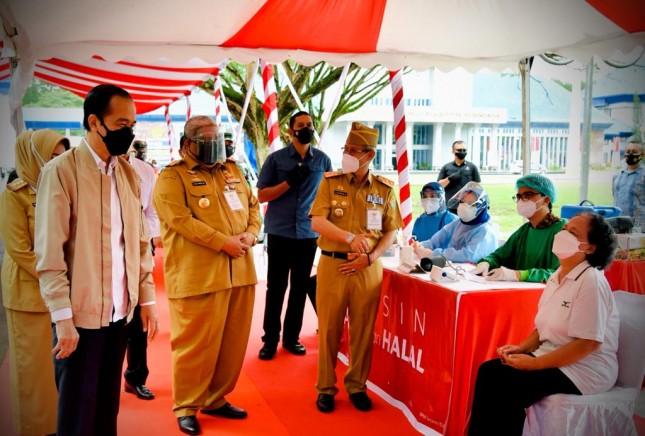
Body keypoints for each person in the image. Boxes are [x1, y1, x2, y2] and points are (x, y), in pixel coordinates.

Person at [34, 84, 159, 436]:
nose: (129, 133)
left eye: (133, 124)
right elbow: (49, 254)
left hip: (121, 314)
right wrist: (63, 318)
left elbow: (138, 242)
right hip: (80, 320)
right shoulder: (61, 171)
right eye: (121, 124)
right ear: (94, 122)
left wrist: (146, 298)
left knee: (107, 410)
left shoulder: (128, 172)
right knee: (77, 418)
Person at [153, 115, 261, 435]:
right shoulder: (172, 178)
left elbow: (253, 207)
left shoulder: (233, 170)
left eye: (218, 139)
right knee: (194, 346)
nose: (215, 146)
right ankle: (186, 404)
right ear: (188, 144)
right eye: (207, 141)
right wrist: (223, 243)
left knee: (232, 343)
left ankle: (215, 398)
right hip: (198, 276)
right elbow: (181, 220)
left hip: (240, 271)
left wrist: (251, 235)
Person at [468, 212, 619, 436]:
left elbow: (588, 344)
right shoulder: (557, 275)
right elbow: (543, 329)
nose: (563, 234)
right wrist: (521, 348)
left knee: (507, 385)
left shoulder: (591, 280)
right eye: (565, 229)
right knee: (489, 371)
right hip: (554, 357)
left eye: (573, 233)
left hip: (585, 369)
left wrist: (534, 365)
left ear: (590, 248)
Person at [310, 122, 402, 413]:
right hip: (333, 264)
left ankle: (357, 386)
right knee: (329, 329)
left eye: (354, 150)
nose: (347, 155)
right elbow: (317, 221)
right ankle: (325, 387)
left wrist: (372, 257)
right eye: (346, 149)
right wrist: (350, 238)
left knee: (362, 330)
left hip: (367, 268)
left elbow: (391, 231)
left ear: (369, 154)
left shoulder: (384, 188)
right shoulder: (330, 182)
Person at [0, 129, 69, 436]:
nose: (58, 164)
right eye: (51, 158)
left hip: (59, 293)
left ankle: (54, 425)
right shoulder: (14, 195)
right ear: (34, 157)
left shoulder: (59, 189)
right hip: (29, 293)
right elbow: (20, 249)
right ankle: (33, 428)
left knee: (55, 369)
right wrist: (58, 276)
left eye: (62, 157)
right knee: (31, 371)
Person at [256, 110, 332, 360]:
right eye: (301, 125)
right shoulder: (276, 160)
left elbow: (329, 195)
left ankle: (291, 338)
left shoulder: (322, 160)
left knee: (299, 288)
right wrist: (288, 183)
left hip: (308, 234)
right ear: (291, 131)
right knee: (276, 288)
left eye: (310, 124)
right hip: (279, 232)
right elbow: (262, 195)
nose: (307, 128)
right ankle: (269, 340)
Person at [122, 140, 162, 401]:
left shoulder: (145, 171)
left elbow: (152, 211)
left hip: (138, 247)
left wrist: (146, 236)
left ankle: (136, 377)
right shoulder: (85, 168)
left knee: (138, 318)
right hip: (101, 252)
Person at [473, 174, 565, 282]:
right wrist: (487, 262)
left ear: (546, 200)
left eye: (528, 195)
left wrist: (521, 274)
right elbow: (500, 255)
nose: (522, 200)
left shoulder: (563, 231)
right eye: (519, 197)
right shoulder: (525, 230)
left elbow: (563, 274)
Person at [414, 182, 498, 263]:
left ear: (482, 208)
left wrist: (434, 254)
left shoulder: (485, 231)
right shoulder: (458, 223)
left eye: (471, 204)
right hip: (454, 270)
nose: (464, 206)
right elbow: (436, 240)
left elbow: (468, 256)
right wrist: (421, 245)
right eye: (462, 202)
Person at [437, 140, 481, 213]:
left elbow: (478, 187)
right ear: (453, 151)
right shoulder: (446, 167)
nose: (462, 152)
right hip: (450, 205)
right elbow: (439, 185)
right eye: (459, 150)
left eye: (464, 150)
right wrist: (449, 179)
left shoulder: (472, 167)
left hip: (467, 205)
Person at [613, 139, 644, 229]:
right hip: (618, 225)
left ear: (642, 155)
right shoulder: (617, 176)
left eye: (634, 152)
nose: (630, 154)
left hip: (639, 227)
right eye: (628, 151)